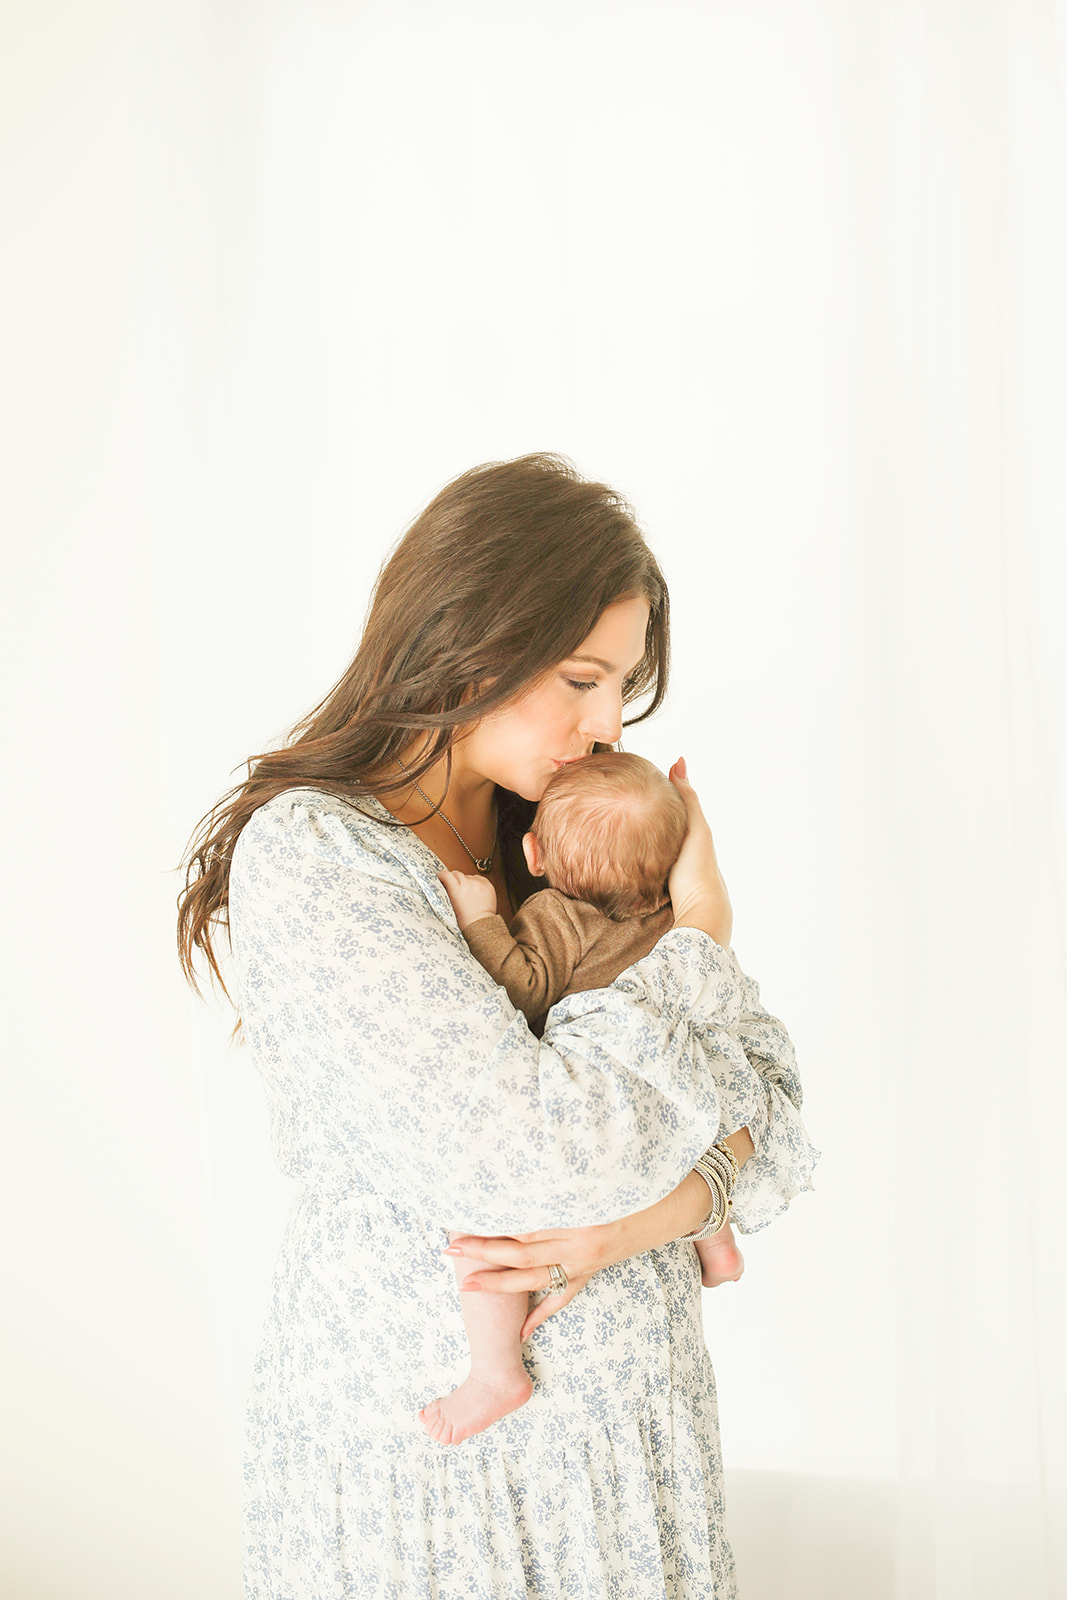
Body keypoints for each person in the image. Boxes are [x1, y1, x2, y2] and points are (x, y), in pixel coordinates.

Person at [178, 453, 817, 1600]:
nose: (606, 720)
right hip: (433, 1473)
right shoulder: (320, 855)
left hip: (631, 1456)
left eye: (621, 686)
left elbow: (772, 1101)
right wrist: (701, 933)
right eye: (580, 678)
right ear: (467, 637)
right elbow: (531, 1156)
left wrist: (651, 1220)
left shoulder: (577, 840)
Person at [423, 751, 748, 1446]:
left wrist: (482, 920)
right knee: (698, 1132)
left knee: (486, 1217)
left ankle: (495, 1372)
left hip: (593, 1113)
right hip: (667, 1101)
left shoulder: (553, 916)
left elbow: (523, 987)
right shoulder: (671, 921)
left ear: (532, 853)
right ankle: (716, 1243)